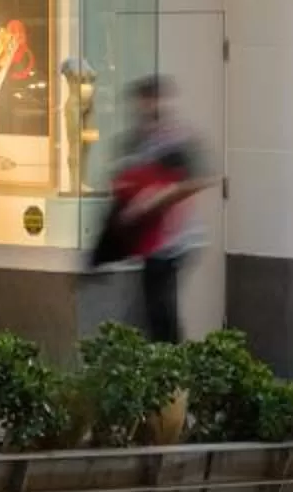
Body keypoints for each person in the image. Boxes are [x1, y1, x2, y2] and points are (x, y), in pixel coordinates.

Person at [90, 75, 212, 343]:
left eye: (151, 100)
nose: (146, 106)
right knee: (152, 307)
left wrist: (154, 199)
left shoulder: (176, 140)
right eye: (144, 100)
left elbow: (195, 180)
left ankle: (169, 358)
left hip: (173, 238)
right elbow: (122, 186)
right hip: (151, 240)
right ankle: (161, 354)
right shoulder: (134, 141)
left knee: (160, 307)